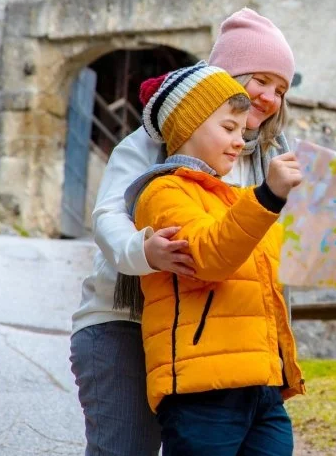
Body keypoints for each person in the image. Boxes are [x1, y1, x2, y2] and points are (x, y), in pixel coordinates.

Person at [69, 8, 336, 455]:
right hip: (124, 320)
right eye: (259, 80)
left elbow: (324, 227)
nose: (268, 97)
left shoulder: (271, 158)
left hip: (211, 337)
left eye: (281, 89)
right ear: (222, 78)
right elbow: (109, 217)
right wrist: (145, 250)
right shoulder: (159, 141)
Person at [126, 61, 303, 455]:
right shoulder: (162, 193)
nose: (240, 142)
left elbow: (311, 247)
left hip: (264, 388)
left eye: (242, 131)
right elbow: (208, 257)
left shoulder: (241, 199)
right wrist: (268, 196)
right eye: (228, 128)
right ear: (188, 125)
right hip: (202, 392)